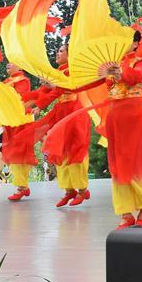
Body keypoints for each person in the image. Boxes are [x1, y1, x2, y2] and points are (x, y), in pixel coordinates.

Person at [99, 31, 142, 229]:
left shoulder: (140, 61)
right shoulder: (111, 63)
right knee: (118, 164)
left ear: (136, 43)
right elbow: (103, 85)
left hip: (135, 114)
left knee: (136, 161)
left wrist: (119, 71)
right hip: (115, 116)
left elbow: (136, 77)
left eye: (127, 39)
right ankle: (126, 212)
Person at [35, 44, 91, 208]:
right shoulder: (58, 73)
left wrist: (52, 86)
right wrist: (38, 104)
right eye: (57, 51)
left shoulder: (74, 70)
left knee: (75, 150)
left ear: (69, 54)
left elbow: (67, 87)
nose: (57, 53)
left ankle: (82, 189)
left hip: (74, 113)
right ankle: (69, 190)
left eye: (61, 51)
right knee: (61, 149)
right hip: (61, 112)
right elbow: (51, 92)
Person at [2, 63, 39, 201]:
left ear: (21, 67)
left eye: (13, 61)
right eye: (8, 61)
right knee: (13, 152)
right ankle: (23, 185)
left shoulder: (23, 80)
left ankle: (22, 187)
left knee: (19, 152)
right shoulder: (7, 81)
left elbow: (20, 99)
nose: (9, 64)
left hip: (22, 120)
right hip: (12, 120)